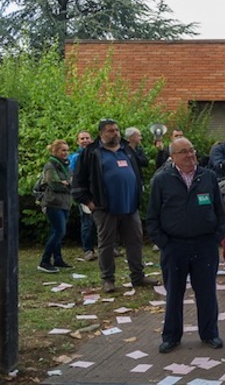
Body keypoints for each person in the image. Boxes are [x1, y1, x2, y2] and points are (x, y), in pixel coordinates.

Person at [147, 137, 225, 354]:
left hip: (205, 245)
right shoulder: (162, 180)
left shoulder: (208, 176)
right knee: (174, 293)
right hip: (174, 246)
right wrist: (163, 242)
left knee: (207, 292)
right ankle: (171, 336)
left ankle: (210, 333)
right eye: (184, 152)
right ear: (173, 157)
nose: (190, 155)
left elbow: (220, 211)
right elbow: (152, 216)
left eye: (192, 150)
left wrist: (217, 237)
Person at [72, 118, 159, 293]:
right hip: (105, 208)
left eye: (117, 130)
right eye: (110, 131)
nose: (115, 133)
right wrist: (89, 202)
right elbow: (79, 182)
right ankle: (108, 280)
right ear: (101, 134)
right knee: (106, 245)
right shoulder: (91, 153)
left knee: (135, 242)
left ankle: (138, 276)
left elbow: (137, 171)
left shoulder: (126, 150)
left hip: (130, 207)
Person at [37, 140, 73, 273]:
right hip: (53, 203)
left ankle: (58, 259)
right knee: (59, 231)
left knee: (56, 231)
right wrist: (67, 184)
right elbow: (53, 184)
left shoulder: (65, 166)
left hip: (65, 203)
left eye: (67, 150)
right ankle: (44, 261)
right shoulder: (50, 165)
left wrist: (67, 183)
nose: (66, 153)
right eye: (63, 150)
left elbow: (71, 182)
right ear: (55, 151)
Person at [69, 130, 96, 261]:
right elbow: (73, 177)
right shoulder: (75, 158)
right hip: (85, 195)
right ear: (78, 141)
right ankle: (88, 250)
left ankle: (109, 248)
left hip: (98, 194)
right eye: (82, 138)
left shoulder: (97, 154)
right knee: (87, 223)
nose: (85, 140)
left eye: (87, 138)